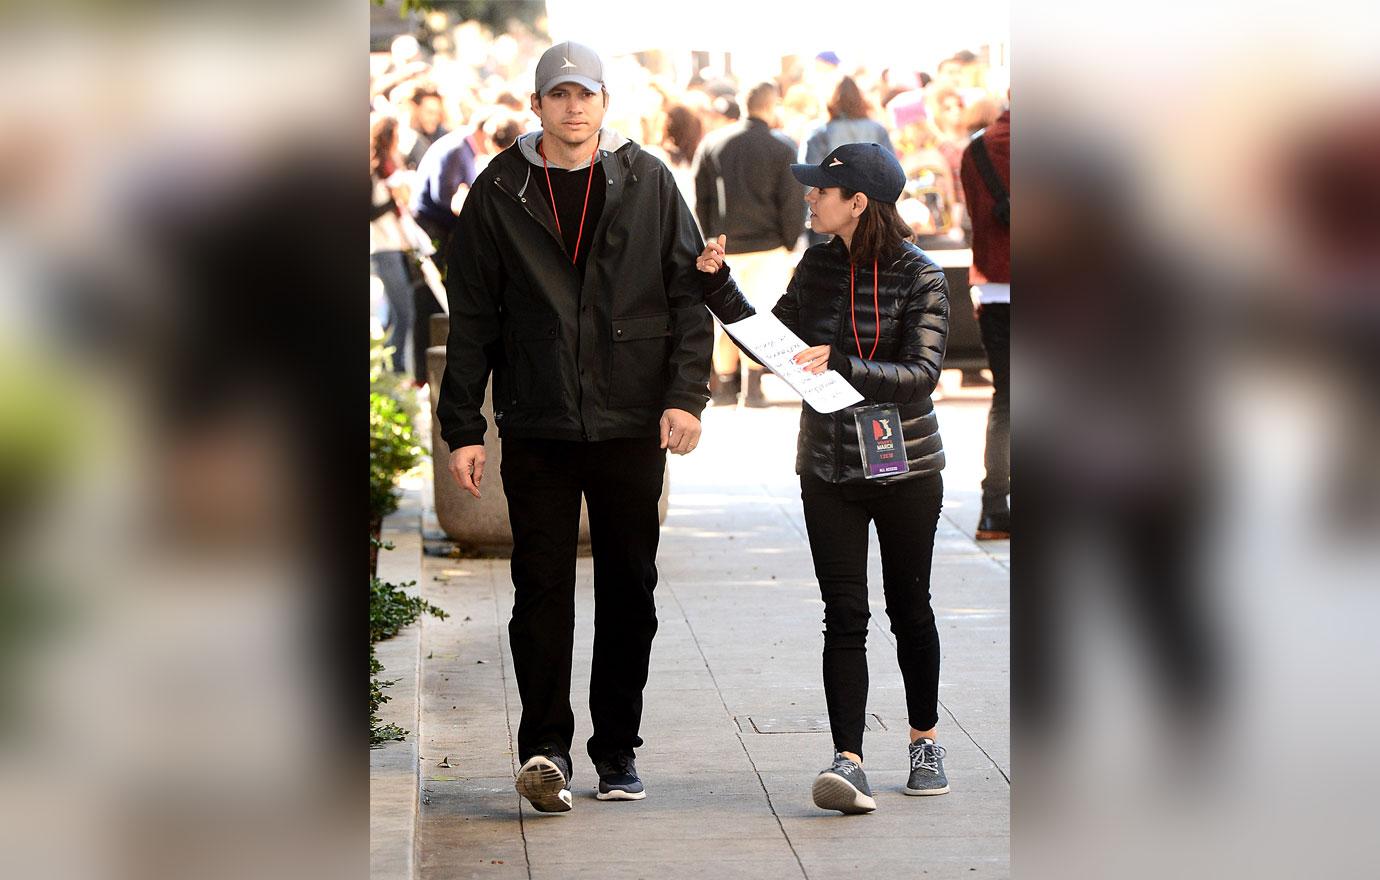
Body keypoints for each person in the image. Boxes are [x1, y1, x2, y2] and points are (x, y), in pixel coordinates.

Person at [435, 41, 713, 813]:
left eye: (584, 94)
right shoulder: (500, 189)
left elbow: (689, 295)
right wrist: (463, 428)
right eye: (558, 95)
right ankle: (545, 749)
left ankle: (616, 751)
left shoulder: (648, 179)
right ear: (537, 105)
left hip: (630, 422)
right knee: (541, 590)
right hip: (539, 421)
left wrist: (687, 396)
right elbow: (473, 321)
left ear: (604, 101)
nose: (573, 108)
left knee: (631, 589)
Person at [696, 142, 953, 813]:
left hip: (907, 467)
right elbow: (772, 341)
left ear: (858, 202)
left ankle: (924, 740)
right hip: (828, 465)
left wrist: (841, 363)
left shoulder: (922, 276)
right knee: (845, 613)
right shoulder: (816, 263)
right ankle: (849, 759)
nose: (808, 198)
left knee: (909, 608)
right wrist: (717, 287)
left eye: (820, 190)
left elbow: (922, 376)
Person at [693, 81, 805, 406]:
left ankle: (725, 387)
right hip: (769, 246)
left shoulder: (713, 143)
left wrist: (710, 235)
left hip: (725, 245)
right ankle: (753, 387)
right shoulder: (782, 147)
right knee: (762, 318)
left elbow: (700, 198)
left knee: (722, 316)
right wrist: (789, 241)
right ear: (771, 107)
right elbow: (792, 202)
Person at [959, 101, 1010, 539]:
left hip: (997, 286)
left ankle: (994, 508)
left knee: (1008, 399)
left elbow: (974, 213)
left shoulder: (977, 149)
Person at [802, 76, 895, 246]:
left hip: (829, 218)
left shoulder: (820, 132)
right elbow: (891, 176)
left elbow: (810, 180)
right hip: (872, 215)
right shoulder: (878, 130)